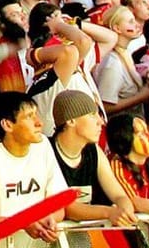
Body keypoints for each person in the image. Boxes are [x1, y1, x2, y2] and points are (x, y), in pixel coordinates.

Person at [0, 94, 66, 248]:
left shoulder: (43, 146)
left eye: (36, 114)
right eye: (29, 116)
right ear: (7, 125)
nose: (39, 123)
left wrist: (49, 220)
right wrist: (21, 223)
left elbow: (59, 205)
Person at [44, 92, 134, 224]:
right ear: (70, 121)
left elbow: (119, 195)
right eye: (93, 115)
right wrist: (109, 212)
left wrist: (125, 211)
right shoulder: (45, 150)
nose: (101, 122)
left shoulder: (94, 151)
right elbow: (67, 208)